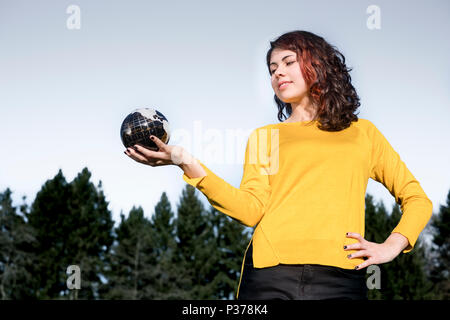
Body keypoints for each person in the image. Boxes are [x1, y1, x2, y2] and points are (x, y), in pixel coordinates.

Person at [123, 30, 433, 300]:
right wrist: (184, 161)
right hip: (268, 276)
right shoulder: (265, 137)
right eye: (272, 68)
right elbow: (250, 209)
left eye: (287, 62)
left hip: (342, 278)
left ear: (318, 65)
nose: (277, 73)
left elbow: (417, 199)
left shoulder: (362, 133)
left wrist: (392, 246)